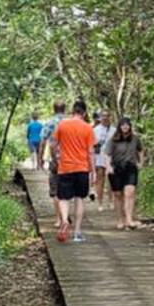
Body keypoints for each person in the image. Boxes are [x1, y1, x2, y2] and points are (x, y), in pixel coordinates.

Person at [52, 99, 96, 243]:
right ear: (84, 113)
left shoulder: (62, 125)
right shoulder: (88, 128)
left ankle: (64, 220)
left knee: (64, 198)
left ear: (72, 112)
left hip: (65, 167)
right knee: (79, 199)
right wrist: (93, 170)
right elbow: (90, 151)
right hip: (82, 167)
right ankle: (77, 232)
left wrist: (57, 158)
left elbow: (53, 144)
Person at [108, 116, 146, 230]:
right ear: (119, 127)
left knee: (130, 192)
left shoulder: (135, 139)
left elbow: (141, 150)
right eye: (123, 125)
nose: (125, 127)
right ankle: (120, 219)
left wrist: (141, 163)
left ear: (130, 127)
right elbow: (107, 154)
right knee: (118, 195)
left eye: (127, 125)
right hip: (117, 168)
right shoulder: (113, 140)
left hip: (131, 167)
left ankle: (129, 219)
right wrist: (109, 166)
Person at [42, 100, 66, 203]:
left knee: (54, 185)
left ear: (54, 109)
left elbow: (43, 140)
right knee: (67, 184)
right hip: (69, 157)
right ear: (64, 109)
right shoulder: (70, 122)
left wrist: (41, 159)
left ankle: (59, 215)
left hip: (54, 157)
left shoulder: (49, 123)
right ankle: (65, 210)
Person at [91, 109, 113, 206]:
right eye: (103, 116)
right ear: (100, 118)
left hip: (111, 157)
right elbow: (91, 144)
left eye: (107, 115)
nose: (105, 118)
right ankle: (100, 202)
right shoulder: (95, 130)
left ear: (110, 117)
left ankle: (111, 201)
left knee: (111, 179)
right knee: (100, 179)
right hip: (99, 157)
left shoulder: (114, 130)